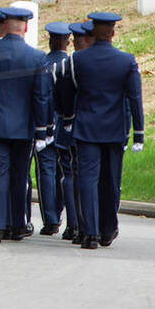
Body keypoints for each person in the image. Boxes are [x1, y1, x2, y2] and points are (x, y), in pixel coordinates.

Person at [0, 6, 52, 243]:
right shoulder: (37, 57)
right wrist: (42, 129)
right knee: (20, 175)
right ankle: (18, 224)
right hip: (23, 126)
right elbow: (41, 96)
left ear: (1, 26)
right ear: (25, 27)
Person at [66, 11, 144, 250]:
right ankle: (107, 229)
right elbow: (134, 98)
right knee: (110, 180)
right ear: (112, 32)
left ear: (93, 32)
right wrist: (138, 132)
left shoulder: (77, 60)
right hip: (114, 129)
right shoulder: (126, 61)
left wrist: (69, 118)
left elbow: (70, 93)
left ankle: (90, 232)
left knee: (88, 180)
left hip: (87, 127)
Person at [55, 20, 91, 242]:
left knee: (70, 175)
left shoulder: (69, 64)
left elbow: (60, 96)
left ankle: (74, 224)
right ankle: (90, 224)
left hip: (71, 125)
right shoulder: (103, 62)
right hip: (97, 128)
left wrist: (66, 118)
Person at [34, 22, 70, 236]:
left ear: (50, 40)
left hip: (45, 124)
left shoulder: (41, 63)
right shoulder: (73, 64)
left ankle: (51, 219)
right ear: (68, 42)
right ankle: (69, 218)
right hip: (66, 124)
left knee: (46, 172)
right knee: (66, 172)